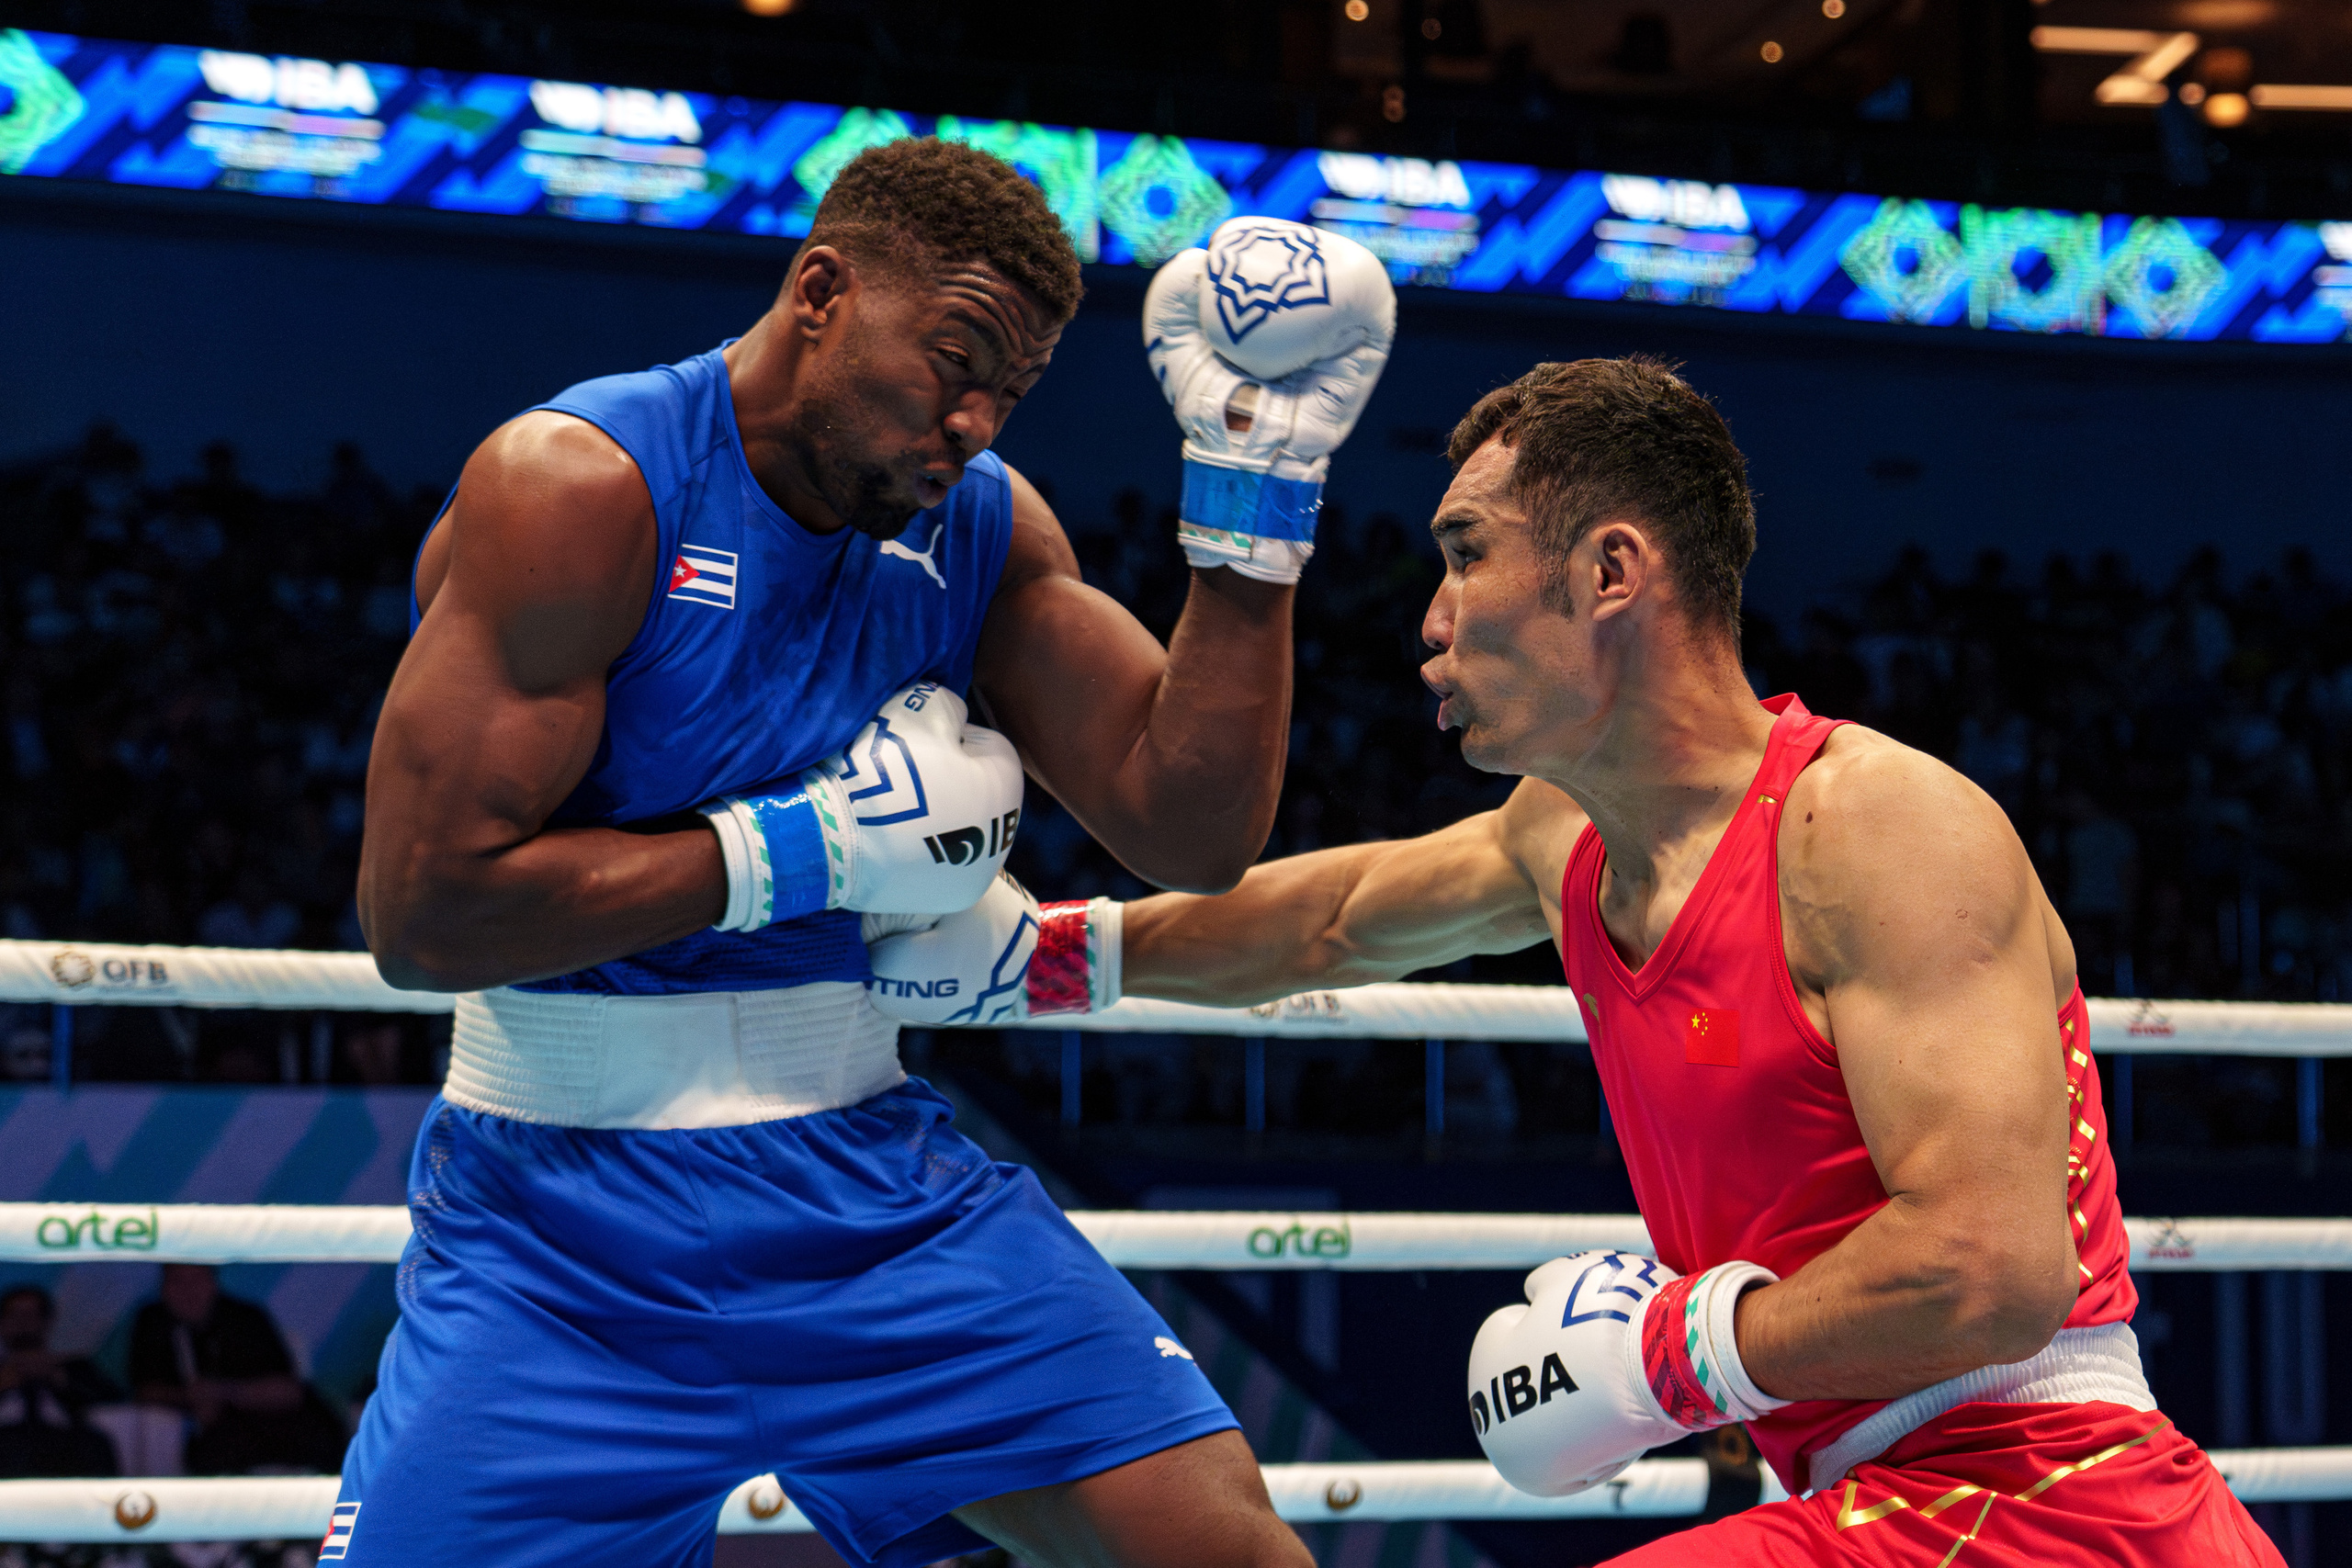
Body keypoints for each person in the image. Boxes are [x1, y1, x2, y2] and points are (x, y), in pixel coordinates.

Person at [918, 358, 2279, 1563]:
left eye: (1467, 553)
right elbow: (1331, 915)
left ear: (1610, 572)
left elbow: (1991, 1270)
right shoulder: (1563, 835)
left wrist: (1674, 1358)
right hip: (1866, 1497)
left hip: (2054, 1500)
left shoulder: (1876, 827)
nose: (1430, 617)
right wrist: (1042, 960)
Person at [350, 137, 1392, 1568]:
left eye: (1009, 391)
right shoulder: (580, 487)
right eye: (952, 361)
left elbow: (1190, 825)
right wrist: (802, 851)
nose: (971, 419)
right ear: (821, 291)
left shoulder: (980, 526)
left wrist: (1253, 516)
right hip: (557, 1231)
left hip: (874, 1194)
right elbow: (421, 917)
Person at [129, 1265, 344, 1475]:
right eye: (178, 1281)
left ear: (213, 1282)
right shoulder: (154, 1321)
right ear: (163, 1286)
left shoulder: (246, 1319)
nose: (189, 1290)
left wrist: (224, 1393)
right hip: (215, 1436)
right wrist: (190, 1398)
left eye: (197, 1280)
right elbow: (143, 1389)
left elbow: (288, 1391)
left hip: (278, 1423)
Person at [0, 1283, 121, 1478]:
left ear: (47, 1321)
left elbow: (113, 1399)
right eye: (14, 1314)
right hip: (7, 1440)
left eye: (31, 1314)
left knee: (94, 1443)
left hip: (64, 1441)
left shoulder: (73, 1366)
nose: (22, 1322)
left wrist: (58, 1378)